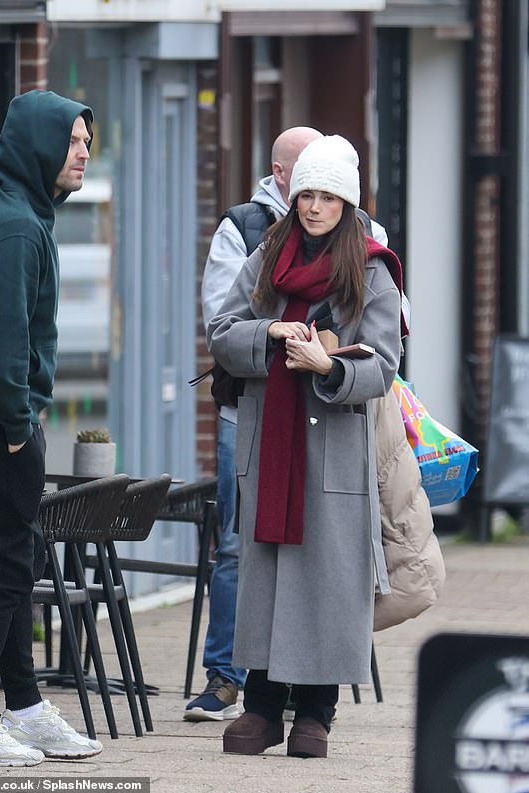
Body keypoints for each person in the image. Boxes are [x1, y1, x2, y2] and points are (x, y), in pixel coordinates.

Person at [207, 134, 405, 758]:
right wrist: (271, 332)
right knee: (267, 568)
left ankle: (317, 712)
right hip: (272, 443)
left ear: (347, 202)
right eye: (306, 194)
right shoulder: (268, 253)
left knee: (327, 578)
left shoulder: (372, 266)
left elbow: (385, 364)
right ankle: (263, 708)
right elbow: (221, 330)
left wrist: (327, 364)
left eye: (326, 196)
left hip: (333, 449)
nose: (314, 206)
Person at [0, 90, 102, 766]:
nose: (83, 152)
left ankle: (26, 705)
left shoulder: (9, 210)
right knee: (8, 570)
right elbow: (1, 343)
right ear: (39, 142)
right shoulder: (14, 225)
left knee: (13, 559)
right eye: (71, 140)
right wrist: (17, 424)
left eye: (87, 143)